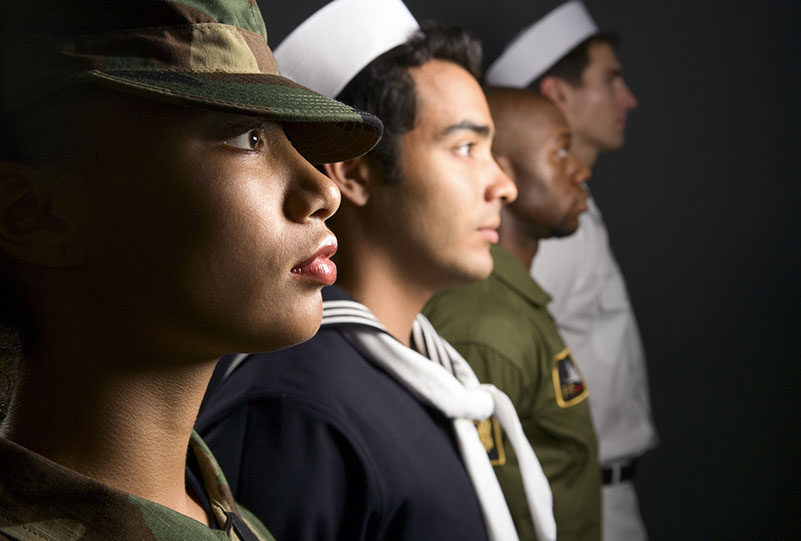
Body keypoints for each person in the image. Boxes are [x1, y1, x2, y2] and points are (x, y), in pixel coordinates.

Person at [0, 0, 382, 538]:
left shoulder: (237, 523)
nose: (323, 191)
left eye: (287, 139)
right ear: (37, 216)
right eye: (245, 137)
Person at [196, 1, 556, 540]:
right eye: (465, 148)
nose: (503, 185)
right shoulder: (295, 411)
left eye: (492, 149)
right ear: (355, 174)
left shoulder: (427, 372)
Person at [486, 2, 658, 539]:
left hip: (599, 493)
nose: (626, 99)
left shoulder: (575, 212)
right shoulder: (546, 231)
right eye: (610, 81)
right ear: (557, 94)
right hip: (573, 502)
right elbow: (502, 365)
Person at [424, 88, 601, 541]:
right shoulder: (484, 324)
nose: (580, 170)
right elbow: (489, 511)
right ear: (499, 171)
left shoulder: (509, 301)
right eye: (561, 152)